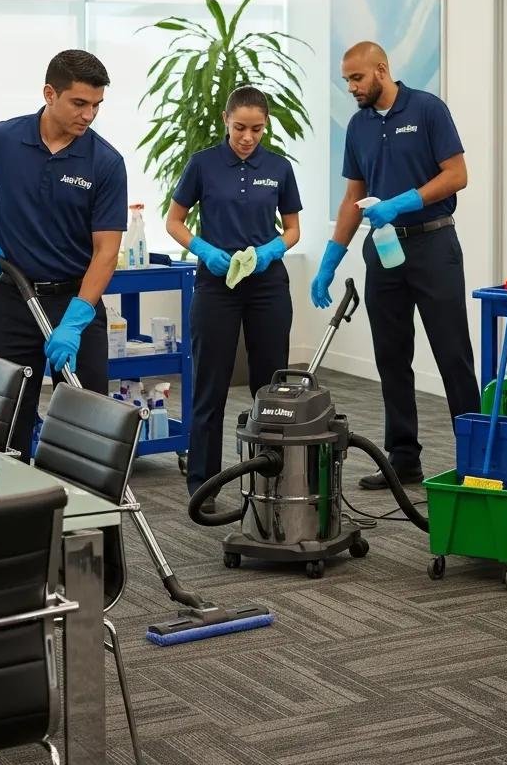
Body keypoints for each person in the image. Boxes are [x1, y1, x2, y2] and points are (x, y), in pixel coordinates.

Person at [311, 41, 480, 490]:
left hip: (433, 244)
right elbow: (353, 196)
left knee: (453, 356)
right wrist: (332, 258)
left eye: (357, 78)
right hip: (383, 251)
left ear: (381, 70)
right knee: (391, 357)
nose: (350, 86)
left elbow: (457, 174)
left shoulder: (427, 110)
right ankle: (403, 459)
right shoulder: (358, 126)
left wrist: (405, 201)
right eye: (346, 79)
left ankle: (476, 461)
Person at [0, 49, 126, 461]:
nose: (89, 115)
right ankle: (2, 517)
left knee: (87, 431)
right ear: (49, 93)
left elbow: (106, 252)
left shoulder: (106, 162)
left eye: (97, 105)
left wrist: (77, 320)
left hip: (75, 305)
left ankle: (82, 518)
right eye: (79, 103)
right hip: (13, 300)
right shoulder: (3, 139)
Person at [167, 86, 302, 513]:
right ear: (226, 120)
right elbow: (174, 221)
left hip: (266, 286)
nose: (248, 137)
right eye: (240, 127)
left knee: (272, 389)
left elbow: (293, 229)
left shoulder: (278, 167)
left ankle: (274, 482)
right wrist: (203, 249)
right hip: (215, 284)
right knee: (211, 387)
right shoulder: (202, 164)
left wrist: (271, 251)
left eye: (257, 129)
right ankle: (202, 487)